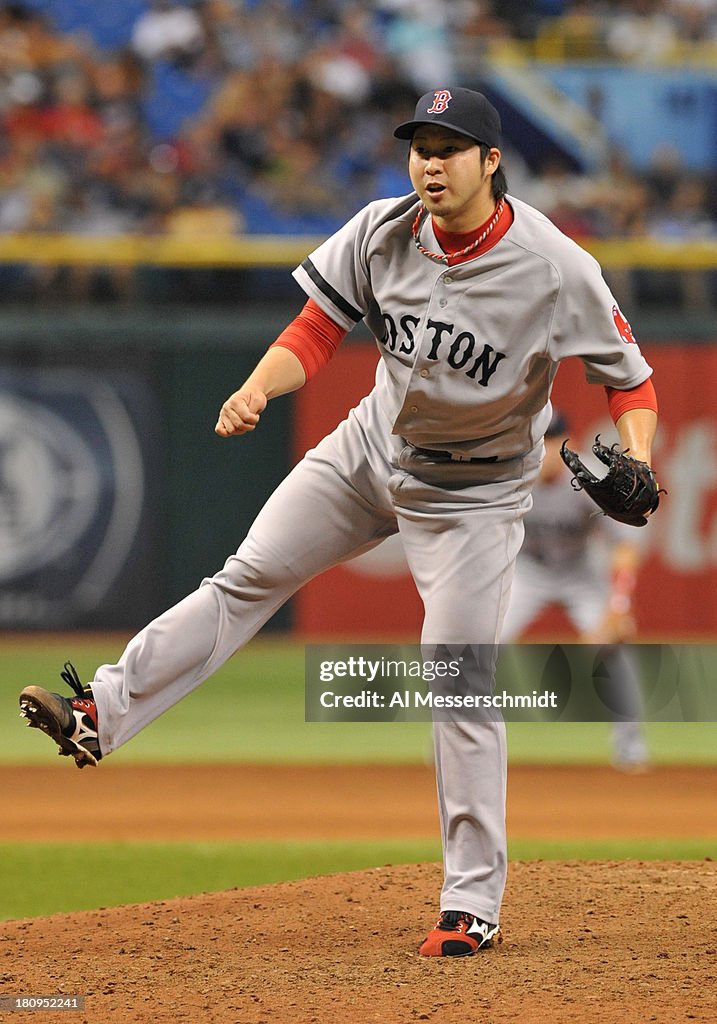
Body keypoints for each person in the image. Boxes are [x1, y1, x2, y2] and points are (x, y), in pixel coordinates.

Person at [19, 87, 659, 958]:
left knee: (458, 674)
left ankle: (471, 901)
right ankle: (101, 710)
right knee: (245, 578)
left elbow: (631, 380)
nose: (429, 163)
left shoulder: (555, 267)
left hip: (473, 495)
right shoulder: (380, 230)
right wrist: (257, 385)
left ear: (491, 162)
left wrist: (641, 456)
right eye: (419, 146)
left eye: (449, 148)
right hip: (368, 452)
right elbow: (315, 329)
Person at [500, 409, 649, 771]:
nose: (543, 451)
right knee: (482, 642)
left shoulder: (587, 480)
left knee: (612, 645)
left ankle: (630, 745)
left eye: (550, 442)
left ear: (568, 445)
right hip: (527, 571)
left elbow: (625, 547)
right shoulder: (512, 475)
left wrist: (618, 605)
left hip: (578, 572)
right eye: (536, 441)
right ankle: (456, 738)